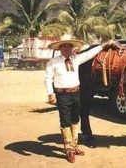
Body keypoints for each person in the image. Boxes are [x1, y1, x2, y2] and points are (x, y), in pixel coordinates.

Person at [44, 34, 112, 163]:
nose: (66, 49)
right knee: (65, 121)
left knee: (75, 120)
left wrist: (102, 45)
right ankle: (69, 150)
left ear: (71, 48)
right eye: (64, 46)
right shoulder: (53, 62)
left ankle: (74, 146)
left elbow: (90, 54)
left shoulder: (76, 59)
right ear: (60, 48)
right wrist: (50, 94)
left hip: (76, 93)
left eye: (69, 46)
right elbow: (47, 79)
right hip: (62, 94)